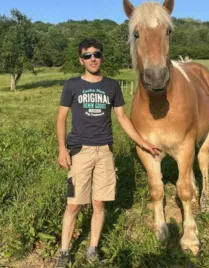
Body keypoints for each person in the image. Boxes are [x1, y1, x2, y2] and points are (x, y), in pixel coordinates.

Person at [55, 38, 160, 267]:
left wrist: (142, 143)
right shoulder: (72, 85)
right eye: (87, 55)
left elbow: (122, 118)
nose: (93, 58)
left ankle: (92, 249)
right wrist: (62, 149)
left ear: (102, 57)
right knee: (73, 203)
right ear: (80, 60)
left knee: (99, 204)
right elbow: (61, 118)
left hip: (104, 152)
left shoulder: (112, 86)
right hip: (79, 152)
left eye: (97, 54)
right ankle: (64, 252)